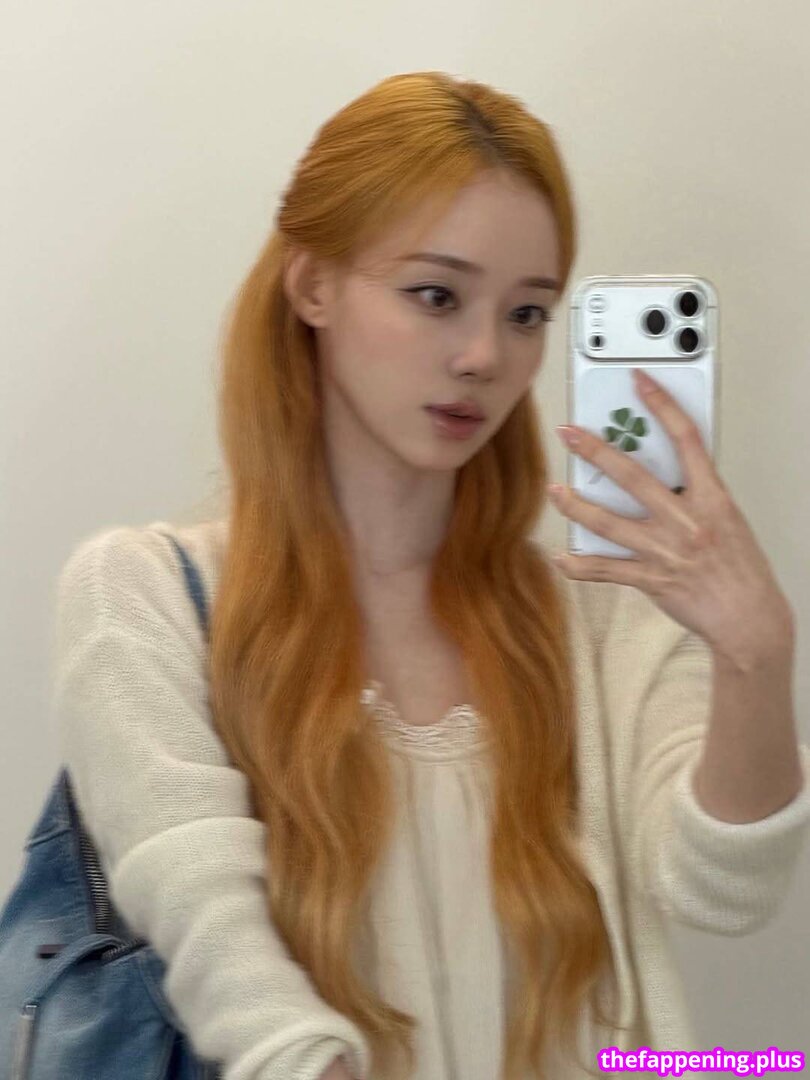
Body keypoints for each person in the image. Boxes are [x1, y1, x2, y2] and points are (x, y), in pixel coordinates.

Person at [52, 70, 810, 1080]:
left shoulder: (600, 612)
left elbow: (723, 892)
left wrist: (757, 654)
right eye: (436, 296)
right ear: (313, 286)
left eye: (528, 313)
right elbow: (212, 937)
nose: (484, 355)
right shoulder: (145, 594)